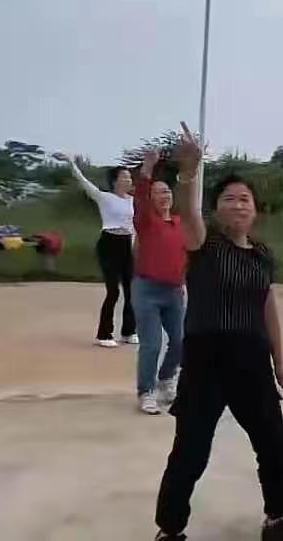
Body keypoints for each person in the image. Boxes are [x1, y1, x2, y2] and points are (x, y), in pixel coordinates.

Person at [155, 123, 283, 541]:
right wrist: (188, 174)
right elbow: (189, 217)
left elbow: (267, 305)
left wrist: (279, 362)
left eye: (245, 199)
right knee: (191, 451)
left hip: (251, 360)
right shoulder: (204, 246)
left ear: (255, 210)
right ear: (217, 209)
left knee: (273, 444)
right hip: (206, 360)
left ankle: (276, 519)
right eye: (229, 199)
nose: (238, 205)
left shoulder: (262, 255)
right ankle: (170, 530)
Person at [52, 152, 137, 348]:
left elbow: (133, 224)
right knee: (113, 291)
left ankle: (128, 331)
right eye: (124, 177)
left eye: (130, 177)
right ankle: (104, 335)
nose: (128, 180)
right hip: (109, 244)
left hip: (126, 243)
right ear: (115, 181)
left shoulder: (132, 201)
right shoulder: (104, 197)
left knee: (131, 290)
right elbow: (83, 182)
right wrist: (71, 163)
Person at [132, 150, 186, 415]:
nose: (164, 195)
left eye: (167, 191)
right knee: (151, 343)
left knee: (180, 341)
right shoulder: (146, 221)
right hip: (147, 290)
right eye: (159, 192)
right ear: (151, 198)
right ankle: (146, 391)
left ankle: (166, 378)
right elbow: (139, 198)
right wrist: (147, 168)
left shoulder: (180, 223)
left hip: (174, 291)